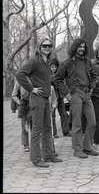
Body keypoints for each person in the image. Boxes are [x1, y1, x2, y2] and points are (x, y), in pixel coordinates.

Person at [15, 38, 62, 168]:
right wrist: (32, 89)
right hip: (37, 99)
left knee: (47, 127)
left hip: (46, 99)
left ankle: (48, 155)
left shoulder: (47, 61)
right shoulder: (34, 60)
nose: (47, 47)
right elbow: (19, 74)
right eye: (44, 45)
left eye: (49, 45)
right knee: (37, 128)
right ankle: (35, 159)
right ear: (39, 46)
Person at [54, 37, 99, 158]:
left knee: (92, 122)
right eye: (80, 46)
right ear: (75, 47)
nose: (82, 49)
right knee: (77, 123)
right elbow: (57, 79)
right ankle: (78, 150)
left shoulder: (87, 61)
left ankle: (88, 147)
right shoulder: (66, 63)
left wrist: (92, 87)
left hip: (87, 94)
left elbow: (94, 76)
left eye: (84, 47)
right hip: (75, 93)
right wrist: (66, 94)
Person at [50, 57, 71, 137]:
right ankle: (54, 132)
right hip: (53, 98)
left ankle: (66, 131)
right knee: (52, 115)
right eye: (52, 67)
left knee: (63, 115)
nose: (54, 69)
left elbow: (62, 83)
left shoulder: (60, 74)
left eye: (55, 67)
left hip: (60, 96)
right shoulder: (48, 75)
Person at [11, 78, 32, 152]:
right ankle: (26, 144)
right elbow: (13, 94)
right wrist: (19, 102)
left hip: (32, 104)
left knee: (34, 125)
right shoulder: (19, 81)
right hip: (23, 105)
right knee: (24, 126)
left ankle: (35, 144)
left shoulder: (33, 79)